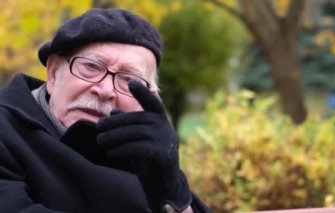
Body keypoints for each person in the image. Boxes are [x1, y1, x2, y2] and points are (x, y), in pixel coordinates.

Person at [0, 8, 210, 213]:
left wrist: (171, 190)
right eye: (91, 67)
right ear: (54, 73)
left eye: (129, 80)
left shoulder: (144, 156)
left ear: (147, 99)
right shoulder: (8, 131)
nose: (105, 91)